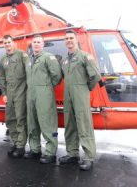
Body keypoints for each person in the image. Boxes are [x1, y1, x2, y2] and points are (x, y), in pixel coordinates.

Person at [59, 30, 101, 170]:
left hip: (80, 93)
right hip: (68, 94)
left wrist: (85, 88)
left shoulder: (84, 56)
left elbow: (95, 75)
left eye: (71, 38)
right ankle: (72, 154)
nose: (69, 40)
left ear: (76, 40)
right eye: (66, 38)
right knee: (70, 124)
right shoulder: (64, 60)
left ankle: (89, 156)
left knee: (84, 124)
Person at [24, 34, 62, 164]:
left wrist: (46, 87)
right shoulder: (28, 60)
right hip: (30, 94)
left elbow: (56, 76)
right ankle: (35, 149)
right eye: (34, 42)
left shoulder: (48, 57)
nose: (36, 44)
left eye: (39, 42)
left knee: (47, 122)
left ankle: (50, 152)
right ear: (32, 44)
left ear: (43, 44)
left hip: (44, 93)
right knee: (32, 122)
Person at [0, 35, 28, 158]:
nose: (7, 45)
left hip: (21, 91)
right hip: (9, 93)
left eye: (9, 42)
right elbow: (2, 77)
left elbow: (29, 71)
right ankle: (16, 142)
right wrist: (4, 93)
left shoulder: (22, 55)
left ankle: (21, 146)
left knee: (20, 119)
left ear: (13, 42)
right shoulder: (3, 59)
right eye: (5, 43)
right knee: (10, 119)